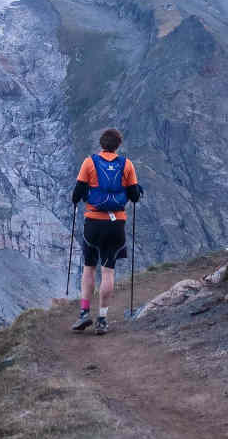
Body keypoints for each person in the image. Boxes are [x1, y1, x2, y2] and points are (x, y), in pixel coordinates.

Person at [70, 128, 141, 334]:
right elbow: (134, 195)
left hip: (93, 223)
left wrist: (80, 200)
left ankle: (84, 313)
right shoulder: (127, 165)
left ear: (101, 144)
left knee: (89, 268)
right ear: (118, 145)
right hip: (116, 224)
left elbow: (77, 193)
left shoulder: (89, 162)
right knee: (108, 271)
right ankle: (102, 318)